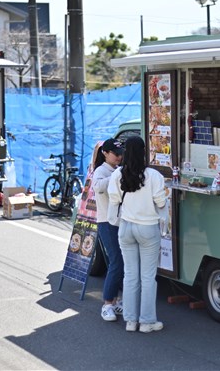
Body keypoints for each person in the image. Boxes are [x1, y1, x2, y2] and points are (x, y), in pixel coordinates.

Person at [107, 136, 167, 333]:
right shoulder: (153, 176)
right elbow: (160, 202)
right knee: (148, 277)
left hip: (126, 228)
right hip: (148, 228)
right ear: (143, 152)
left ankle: (131, 321)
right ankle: (147, 322)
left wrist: (115, 222)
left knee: (130, 276)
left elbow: (113, 202)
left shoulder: (117, 175)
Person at [92, 138, 125, 322]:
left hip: (121, 221)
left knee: (122, 263)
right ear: (105, 153)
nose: (119, 156)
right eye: (116, 153)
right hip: (106, 222)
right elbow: (97, 187)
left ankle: (118, 299)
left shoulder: (116, 170)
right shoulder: (102, 171)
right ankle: (107, 304)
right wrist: (116, 175)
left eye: (121, 153)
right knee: (116, 262)